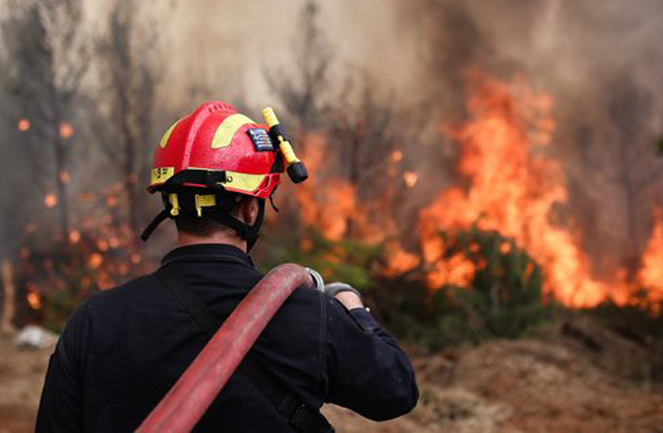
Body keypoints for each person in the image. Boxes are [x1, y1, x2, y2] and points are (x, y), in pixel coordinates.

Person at [35, 102, 419, 432]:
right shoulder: (311, 318)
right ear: (251, 209)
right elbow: (396, 391)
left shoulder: (94, 322)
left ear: (171, 206)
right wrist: (352, 306)